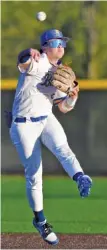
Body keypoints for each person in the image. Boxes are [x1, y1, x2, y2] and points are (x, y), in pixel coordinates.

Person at [9, 29, 92, 245]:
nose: (61, 46)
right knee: (35, 174)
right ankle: (40, 220)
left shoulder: (61, 72)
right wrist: (28, 51)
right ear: (46, 46)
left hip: (46, 119)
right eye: (57, 42)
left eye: (63, 42)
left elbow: (63, 108)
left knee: (63, 148)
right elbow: (21, 61)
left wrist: (72, 98)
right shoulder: (36, 60)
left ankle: (80, 176)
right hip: (23, 125)